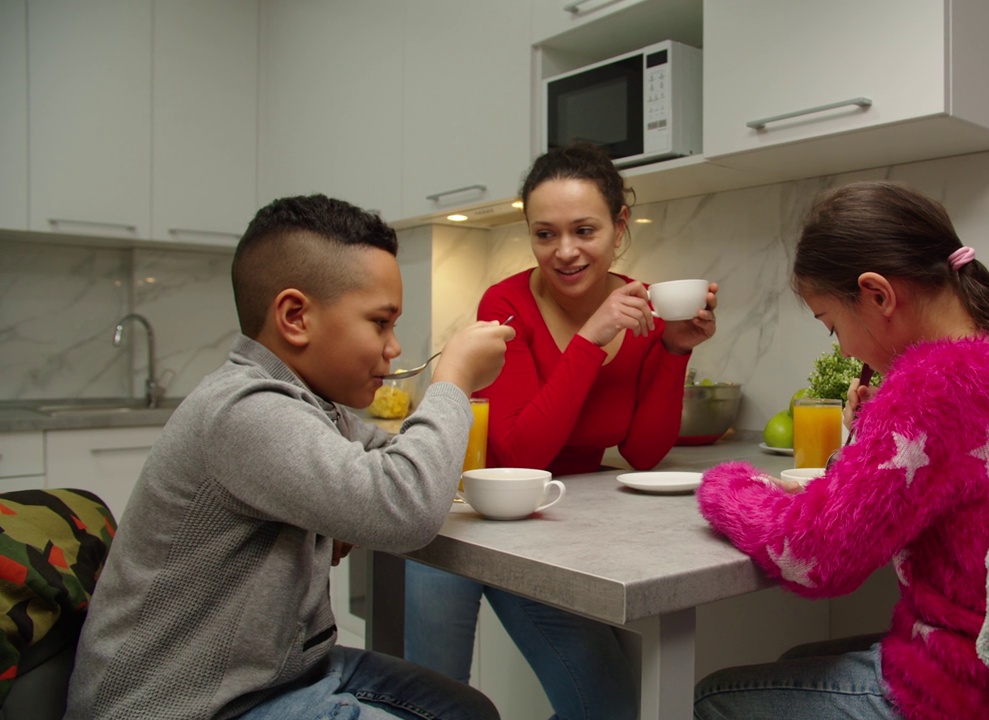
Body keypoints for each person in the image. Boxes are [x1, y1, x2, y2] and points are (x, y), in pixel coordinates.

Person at [67, 194, 514, 720]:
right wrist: (454, 380)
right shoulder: (244, 409)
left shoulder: (311, 407)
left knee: (469, 712)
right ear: (296, 317)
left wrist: (354, 498)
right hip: (181, 706)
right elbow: (406, 503)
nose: (393, 348)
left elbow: (387, 466)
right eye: (380, 323)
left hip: (278, 673)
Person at [692, 180, 989, 720]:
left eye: (832, 326)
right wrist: (874, 430)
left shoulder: (928, 383)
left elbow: (817, 558)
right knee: (797, 659)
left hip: (961, 693)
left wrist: (726, 486)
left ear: (878, 294)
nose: (842, 348)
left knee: (711, 698)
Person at [404, 142, 718, 719]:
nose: (565, 251)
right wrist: (589, 341)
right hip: (472, 518)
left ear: (619, 226)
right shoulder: (505, 304)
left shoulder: (640, 307)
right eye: (544, 234)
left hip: (563, 532)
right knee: (434, 701)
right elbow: (518, 451)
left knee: (611, 709)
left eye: (584, 230)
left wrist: (673, 350)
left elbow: (643, 454)